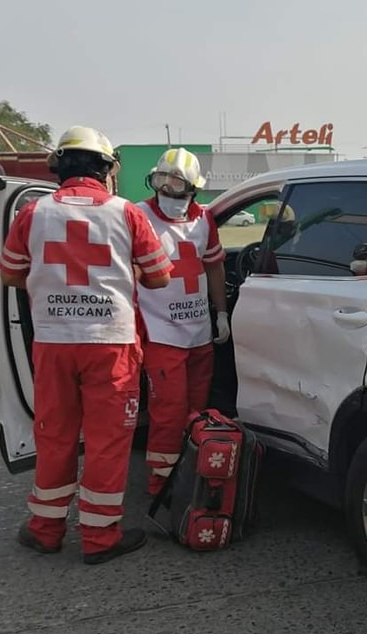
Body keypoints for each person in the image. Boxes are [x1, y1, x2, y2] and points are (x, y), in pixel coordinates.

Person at [0, 126, 173, 564]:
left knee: (54, 435)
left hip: (54, 342)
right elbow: (160, 276)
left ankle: (45, 529)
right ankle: (99, 537)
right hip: (110, 344)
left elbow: (9, 274)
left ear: (59, 167)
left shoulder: (32, 213)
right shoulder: (126, 213)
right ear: (106, 168)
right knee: (107, 441)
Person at [136, 148, 230, 495]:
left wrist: (220, 313)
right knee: (168, 412)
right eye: (163, 181)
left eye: (177, 184)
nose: (168, 191)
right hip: (161, 334)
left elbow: (214, 266)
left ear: (194, 189)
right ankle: (161, 483)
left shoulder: (203, 220)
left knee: (198, 410)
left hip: (199, 335)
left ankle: (191, 472)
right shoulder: (139, 216)